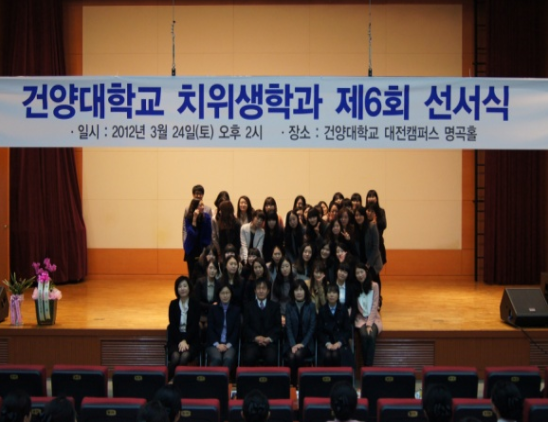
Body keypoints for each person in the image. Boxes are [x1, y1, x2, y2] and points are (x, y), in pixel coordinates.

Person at [241, 279, 281, 367]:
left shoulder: (275, 306)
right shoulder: (248, 306)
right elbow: (245, 327)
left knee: (271, 358)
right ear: (255, 291)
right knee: (248, 358)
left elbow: (278, 327)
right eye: (259, 288)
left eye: (263, 288)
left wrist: (268, 338)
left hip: (269, 343)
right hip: (253, 342)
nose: (261, 291)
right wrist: (256, 338)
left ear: (268, 291)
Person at [167, 276, 201, 379]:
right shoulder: (173, 304)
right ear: (176, 289)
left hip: (191, 340)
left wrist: (185, 340)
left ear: (189, 288)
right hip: (175, 339)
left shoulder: (195, 304)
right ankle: (169, 380)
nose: (182, 289)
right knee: (175, 357)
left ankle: (179, 381)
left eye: (185, 286)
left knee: (185, 356)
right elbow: (172, 326)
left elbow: (194, 326)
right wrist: (181, 341)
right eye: (180, 286)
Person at [284, 279, 316, 385]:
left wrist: (302, 344)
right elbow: (288, 327)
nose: (299, 292)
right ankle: (293, 384)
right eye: (296, 290)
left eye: (301, 290)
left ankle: (301, 383)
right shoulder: (289, 306)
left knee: (298, 355)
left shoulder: (311, 306)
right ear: (293, 292)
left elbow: (312, 327)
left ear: (305, 291)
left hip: (306, 344)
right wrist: (293, 344)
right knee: (291, 356)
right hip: (291, 343)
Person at [317, 284, 353, 367]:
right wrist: (327, 343)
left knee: (336, 354)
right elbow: (319, 331)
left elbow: (347, 331)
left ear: (338, 295)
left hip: (340, 342)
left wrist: (339, 343)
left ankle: (339, 376)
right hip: (326, 343)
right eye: (329, 292)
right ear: (326, 295)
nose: (331, 295)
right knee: (327, 355)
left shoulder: (343, 309)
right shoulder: (322, 310)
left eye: (334, 292)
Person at [206, 284, 241, 369]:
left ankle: (225, 378)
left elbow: (236, 331)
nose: (225, 295)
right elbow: (210, 329)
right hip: (214, 344)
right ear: (219, 294)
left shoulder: (236, 310)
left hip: (230, 344)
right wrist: (218, 345)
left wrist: (227, 345)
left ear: (231, 294)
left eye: (227, 293)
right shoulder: (213, 309)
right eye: (222, 293)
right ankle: (213, 377)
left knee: (228, 359)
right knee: (217, 359)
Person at [354, 263, 381, 367]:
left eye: (361, 272)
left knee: (371, 335)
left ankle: (368, 367)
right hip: (361, 319)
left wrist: (369, 324)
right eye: (357, 273)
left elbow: (375, 305)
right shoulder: (355, 287)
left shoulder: (374, 285)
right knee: (364, 335)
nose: (360, 275)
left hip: (373, 318)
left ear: (366, 272)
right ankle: (367, 366)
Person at [183, 198, 212, 277]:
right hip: (191, 249)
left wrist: (205, 250)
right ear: (194, 207)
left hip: (203, 249)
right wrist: (194, 219)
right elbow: (192, 234)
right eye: (200, 205)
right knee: (192, 274)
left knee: (203, 274)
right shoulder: (189, 218)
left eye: (203, 205)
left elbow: (208, 235)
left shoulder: (207, 217)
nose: (202, 207)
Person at [193, 258, 221, 329]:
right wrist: (210, 306)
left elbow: (218, 301)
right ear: (206, 269)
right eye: (210, 268)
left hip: (213, 313)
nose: (212, 271)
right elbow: (197, 301)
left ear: (217, 271)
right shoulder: (200, 282)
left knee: (208, 326)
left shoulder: (219, 284)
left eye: (214, 269)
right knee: (199, 326)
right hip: (201, 312)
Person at [365, 203, 384, 303]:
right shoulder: (365, 225)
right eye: (368, 210)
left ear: (375, 214)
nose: (369, 213)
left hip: (374, 262)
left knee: (374, 282)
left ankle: (377, 302)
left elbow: (376, 247)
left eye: (372, 211)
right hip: (368, 260)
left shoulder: (373, 226)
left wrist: (369, 263)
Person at [366, 190, 387, 264]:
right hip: (367, 244)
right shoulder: (364, 211)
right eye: (369, 196)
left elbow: (384, 225)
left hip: (378, 243)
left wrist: (375, 221)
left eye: (373, 196)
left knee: (378, 266)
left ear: (377, 199)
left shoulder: (381, 211)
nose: (371, 198)